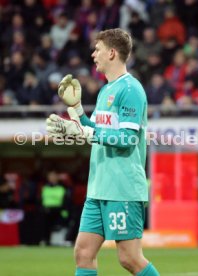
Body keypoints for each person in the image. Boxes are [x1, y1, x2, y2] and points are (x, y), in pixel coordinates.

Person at [46, 28, 159, 276]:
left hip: (123, 187)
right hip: (98, 187)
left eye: (97, 49)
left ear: (111, 52)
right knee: (83, 253)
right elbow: (94, 130)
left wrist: (86, 133)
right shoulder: (106, 91)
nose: (93, 54)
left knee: (129, 258)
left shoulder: (131, 90)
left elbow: (127, 139)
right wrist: (74, 115)